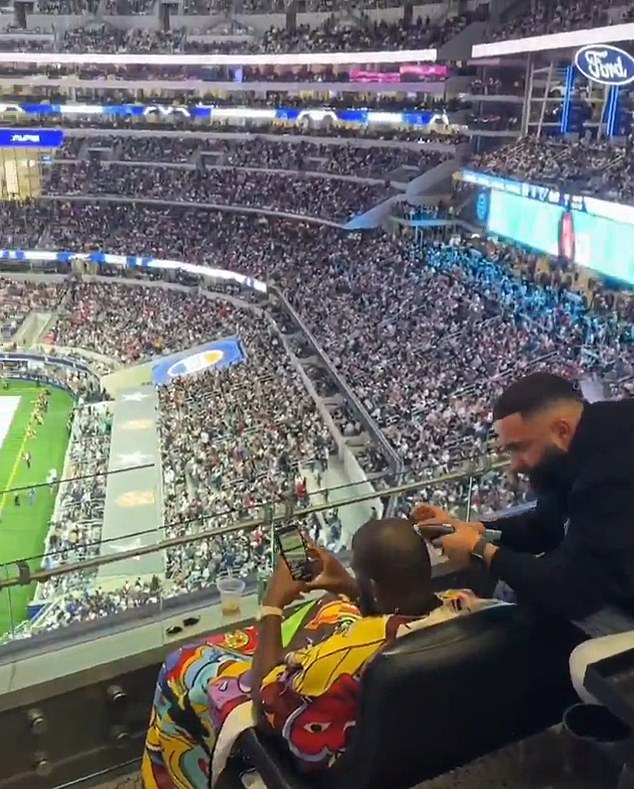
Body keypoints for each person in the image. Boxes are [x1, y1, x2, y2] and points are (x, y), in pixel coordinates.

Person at [142, 518, 501, 788]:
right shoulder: (475, 607)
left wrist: (271, 606)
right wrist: (349, 587)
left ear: (374, 585)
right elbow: (396, 619)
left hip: (336, 764)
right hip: (423, 738)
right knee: (334, 606)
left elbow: (265, 706)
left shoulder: (336, 663)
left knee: (180, 668)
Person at [421, 372, 634, 621]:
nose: (514, 466)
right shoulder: (583, 440)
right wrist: (477, 530)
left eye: (520, 448)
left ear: (562, 431)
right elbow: (544, 527)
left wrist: (480, 549)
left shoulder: (607, 478)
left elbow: (572, 591)